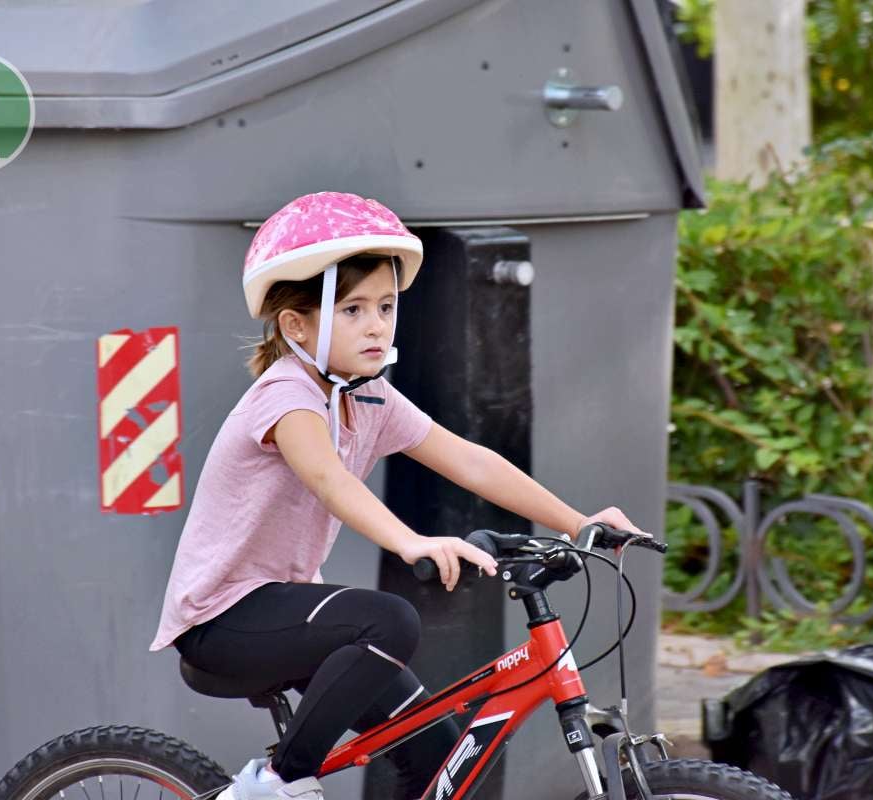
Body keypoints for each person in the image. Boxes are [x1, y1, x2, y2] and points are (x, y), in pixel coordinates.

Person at [149, 191, 642, 800]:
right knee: (390, 619)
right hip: (222, 620)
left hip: (290, 616)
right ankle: (274, 784)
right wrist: (412, 541)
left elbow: (471, 461)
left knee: (433, 752)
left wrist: (578, 521)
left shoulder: (369, 397)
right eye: (352, 309)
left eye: (385, 306)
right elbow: (330, 481)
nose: (376, 323)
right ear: (295, 325)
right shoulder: (286, 399)